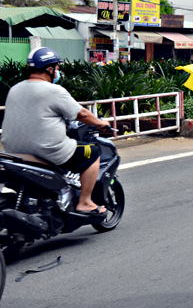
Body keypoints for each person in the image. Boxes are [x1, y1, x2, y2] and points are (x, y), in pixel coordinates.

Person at [1, 48, 111, 215]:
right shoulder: (54, 90)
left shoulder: (14, 89)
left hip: (13, 151)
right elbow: (81, 114)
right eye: (57, 68)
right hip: (47, 150)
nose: (58, 72)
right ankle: (86, 202)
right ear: (49, 69)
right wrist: (100, 123)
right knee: (93, 152)